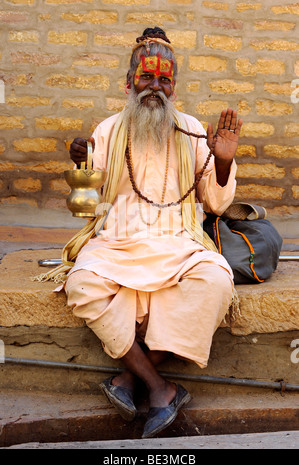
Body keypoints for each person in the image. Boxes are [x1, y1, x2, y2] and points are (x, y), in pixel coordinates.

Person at [59, 27, 243, 439]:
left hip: (178, 239)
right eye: (146, 77)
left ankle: (130, 378)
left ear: (174, 88)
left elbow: (214, 203)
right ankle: (161, 387)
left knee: (215, 282)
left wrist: (224, 163)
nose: (154, 87)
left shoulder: (192, 129)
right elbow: (86, 203)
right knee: (82, 283)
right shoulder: (107, 130)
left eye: (164, 80)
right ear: (129, 82)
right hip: (117, 240)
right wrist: (83, 166)